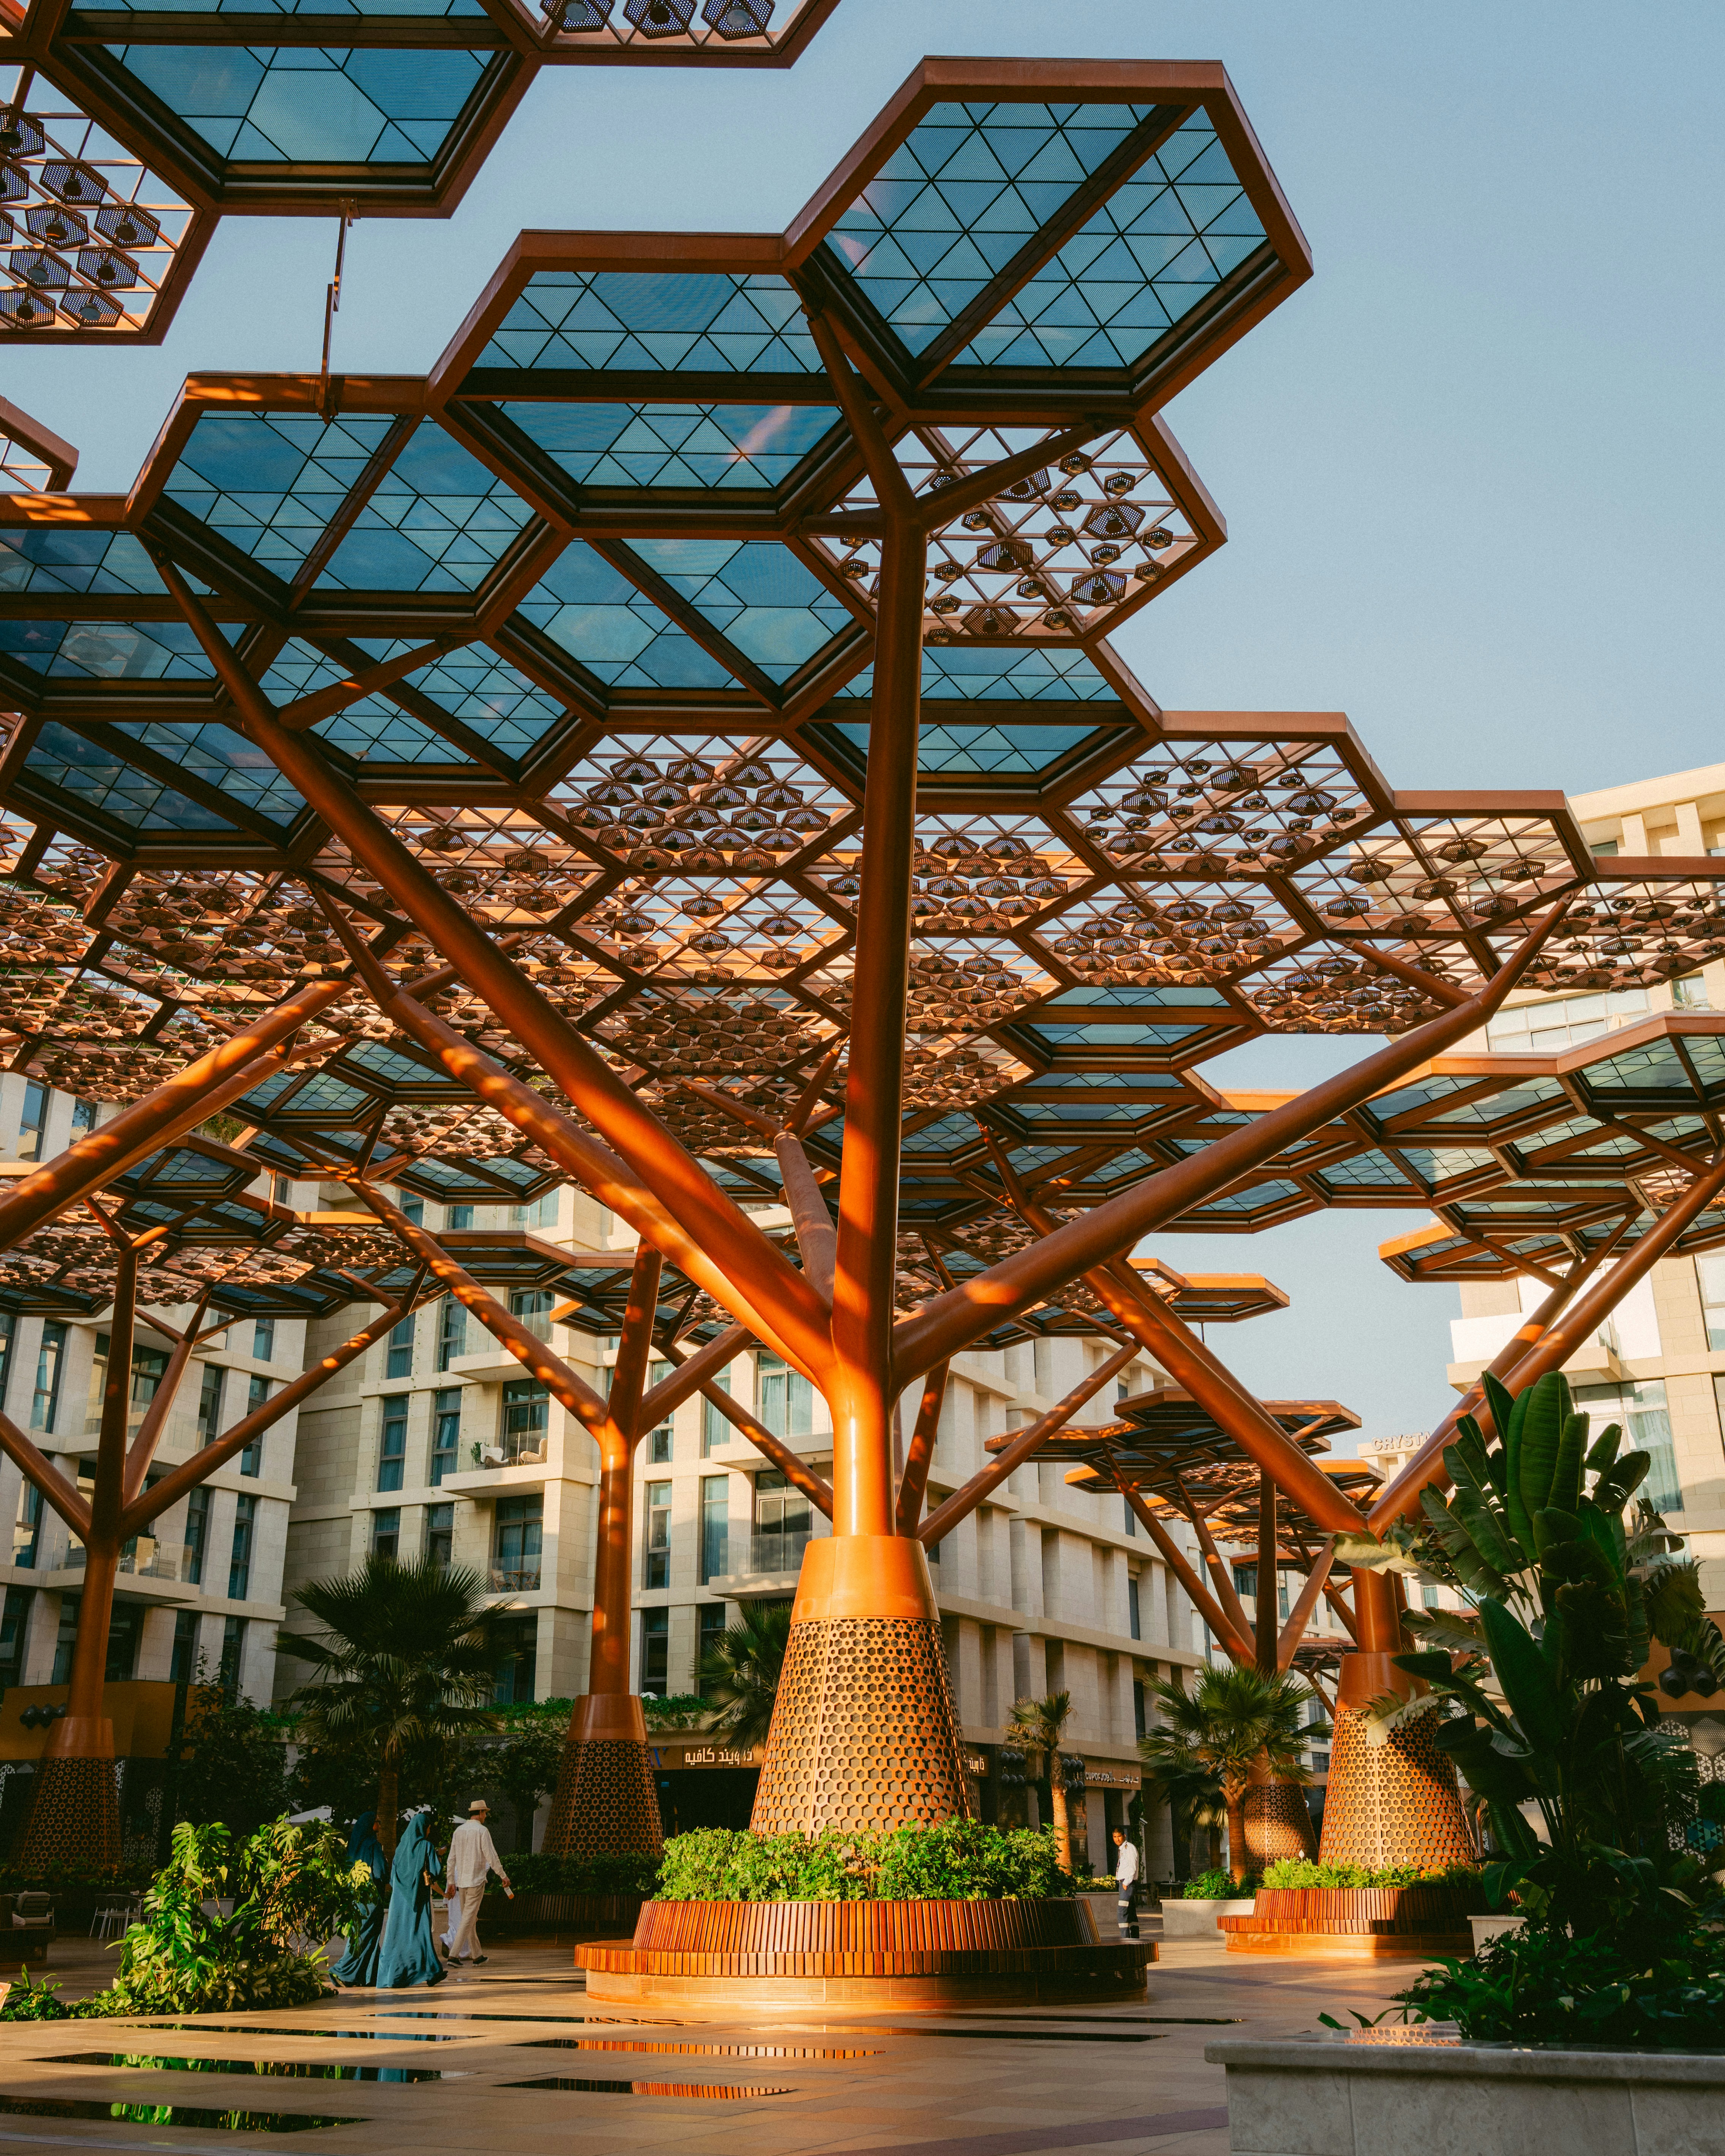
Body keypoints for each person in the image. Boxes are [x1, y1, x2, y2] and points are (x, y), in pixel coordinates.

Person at [375, 1811, 446, 1989]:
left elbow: (393, 1878)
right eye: (428, 1828)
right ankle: (431, 1971)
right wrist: (439, 1856)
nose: (429, 1831)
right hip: (418, 1900)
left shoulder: (400, 1848)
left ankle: (391, 1976)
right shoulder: (426, 1846)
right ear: (424, 1828)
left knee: (397, 1937)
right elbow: (435, 1871)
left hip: (399, 1901)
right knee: (420, 1935)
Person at [443, 1798, 512, 1966]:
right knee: (468, 1919)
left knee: (470, 1918)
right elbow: (492, 1856)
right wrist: (503, 1876)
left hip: (462, 1882)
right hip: (476, 1881)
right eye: (485, 1813)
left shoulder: (458, 1831)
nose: (486, 1817)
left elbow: (451, 1860)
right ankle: (453, 1955)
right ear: (480, 1813)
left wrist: (451, 1881)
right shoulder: (482, 1831)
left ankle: (477, 1955)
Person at [330, 1809, 387, 1987]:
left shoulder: (354, 1846)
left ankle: (368, 1976)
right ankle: (341, 1970)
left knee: (363, 1936)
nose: (380, 1825)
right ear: (371, 1825)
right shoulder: (373, 1846)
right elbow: (380, 1873)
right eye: (377, 1822)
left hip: (356, 1898)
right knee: (364, 1937)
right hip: (371, 1899)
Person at [1113, 1826, 1141, 1940]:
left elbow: (1133, 1867)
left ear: (1124, 1836)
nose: (1117, 1839)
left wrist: (1126, 1883)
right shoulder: (1122, 1849)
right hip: (1123, 1884)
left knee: (1122, 1911)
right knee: (1130, 1911)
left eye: (1119, 1836)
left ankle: (1125, 1939)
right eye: (1115, 1837)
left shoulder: (1129, 1848)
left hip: (1127, 1884)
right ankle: (1134, 1939)